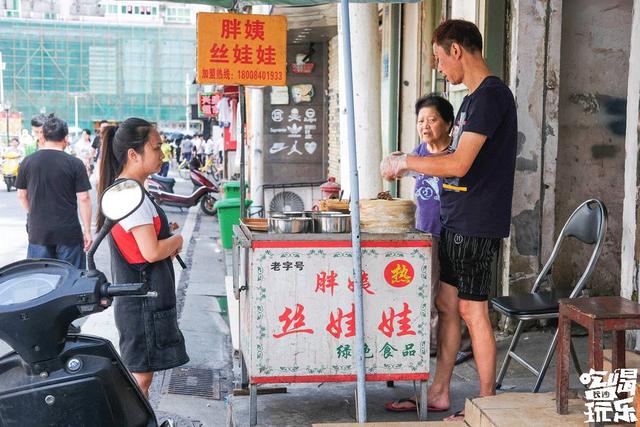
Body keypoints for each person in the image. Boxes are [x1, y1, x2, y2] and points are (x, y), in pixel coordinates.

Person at [381, 19, 517, 421]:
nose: (440, 68)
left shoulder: (492, 96)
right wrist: (409, 162)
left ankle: (484, 404)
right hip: (457, 220)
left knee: (475, 311)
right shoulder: (471, 100)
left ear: (456, 50)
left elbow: (459, 162)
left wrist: (406, 162)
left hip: (477, 222)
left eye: (440, 58)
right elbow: (449, 160)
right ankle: (439, 392)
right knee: (447, 304)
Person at [384, 94, 472, 413]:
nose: (425, 126)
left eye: (432, 119)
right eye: (421, 120)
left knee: (443, 302)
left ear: (448, 123)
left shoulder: (456, 155)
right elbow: (394, 170)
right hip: (423, 235)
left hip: (449, 237)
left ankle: (440, 355)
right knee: (422, 299)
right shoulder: (419, 153)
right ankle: (426, 368)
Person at [96, 117, 189, 397]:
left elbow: (142, 245)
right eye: (157, 148)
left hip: (142, 301)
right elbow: (151, 252)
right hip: (142, 305)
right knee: (140, 380)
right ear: (134, 154)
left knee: (141, 378)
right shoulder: (130, 196)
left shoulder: (131, 190)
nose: (162, 154)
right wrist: (177, 240)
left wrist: (165, 236)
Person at [16, 116, 93, 269]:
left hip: (38, 232)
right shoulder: (75, 163)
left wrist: (35, 212)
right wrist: (87, 231)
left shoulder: (28, 161)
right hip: (68, 232)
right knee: (71, 281)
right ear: (66, 138)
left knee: (41, 281)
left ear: (43, 137)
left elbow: (22, 195)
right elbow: (84, 198)